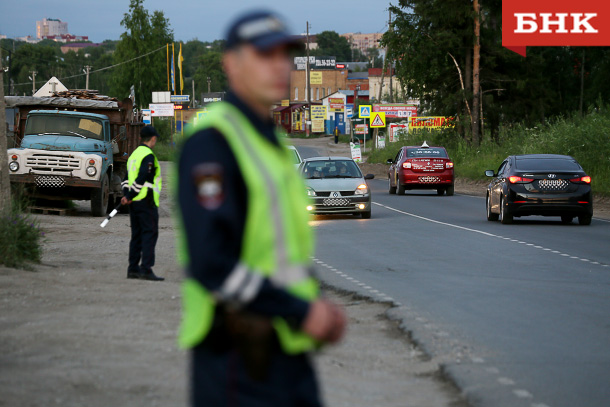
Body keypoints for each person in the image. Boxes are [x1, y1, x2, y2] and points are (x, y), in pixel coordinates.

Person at [176, 10, 346, 407]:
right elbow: (211, 262)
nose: (279, 66)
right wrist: (300, 309)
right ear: (231, 63)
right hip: (237, 355)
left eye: (284, 55)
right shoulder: (212, 141)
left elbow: (281, 249)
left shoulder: (270, 140)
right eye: (264, 55)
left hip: (286, 348)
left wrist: (313, 303)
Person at [121, 126, 164, 281]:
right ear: (152, 138)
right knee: (149, 233)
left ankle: (132, 269)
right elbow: (143, 177)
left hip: (134, 203)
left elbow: (126, 178)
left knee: (136, 235)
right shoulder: (148, 155)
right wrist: (131, 194)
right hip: (146, 201)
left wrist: (127, 195)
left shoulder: (134, 155)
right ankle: (146, 269)